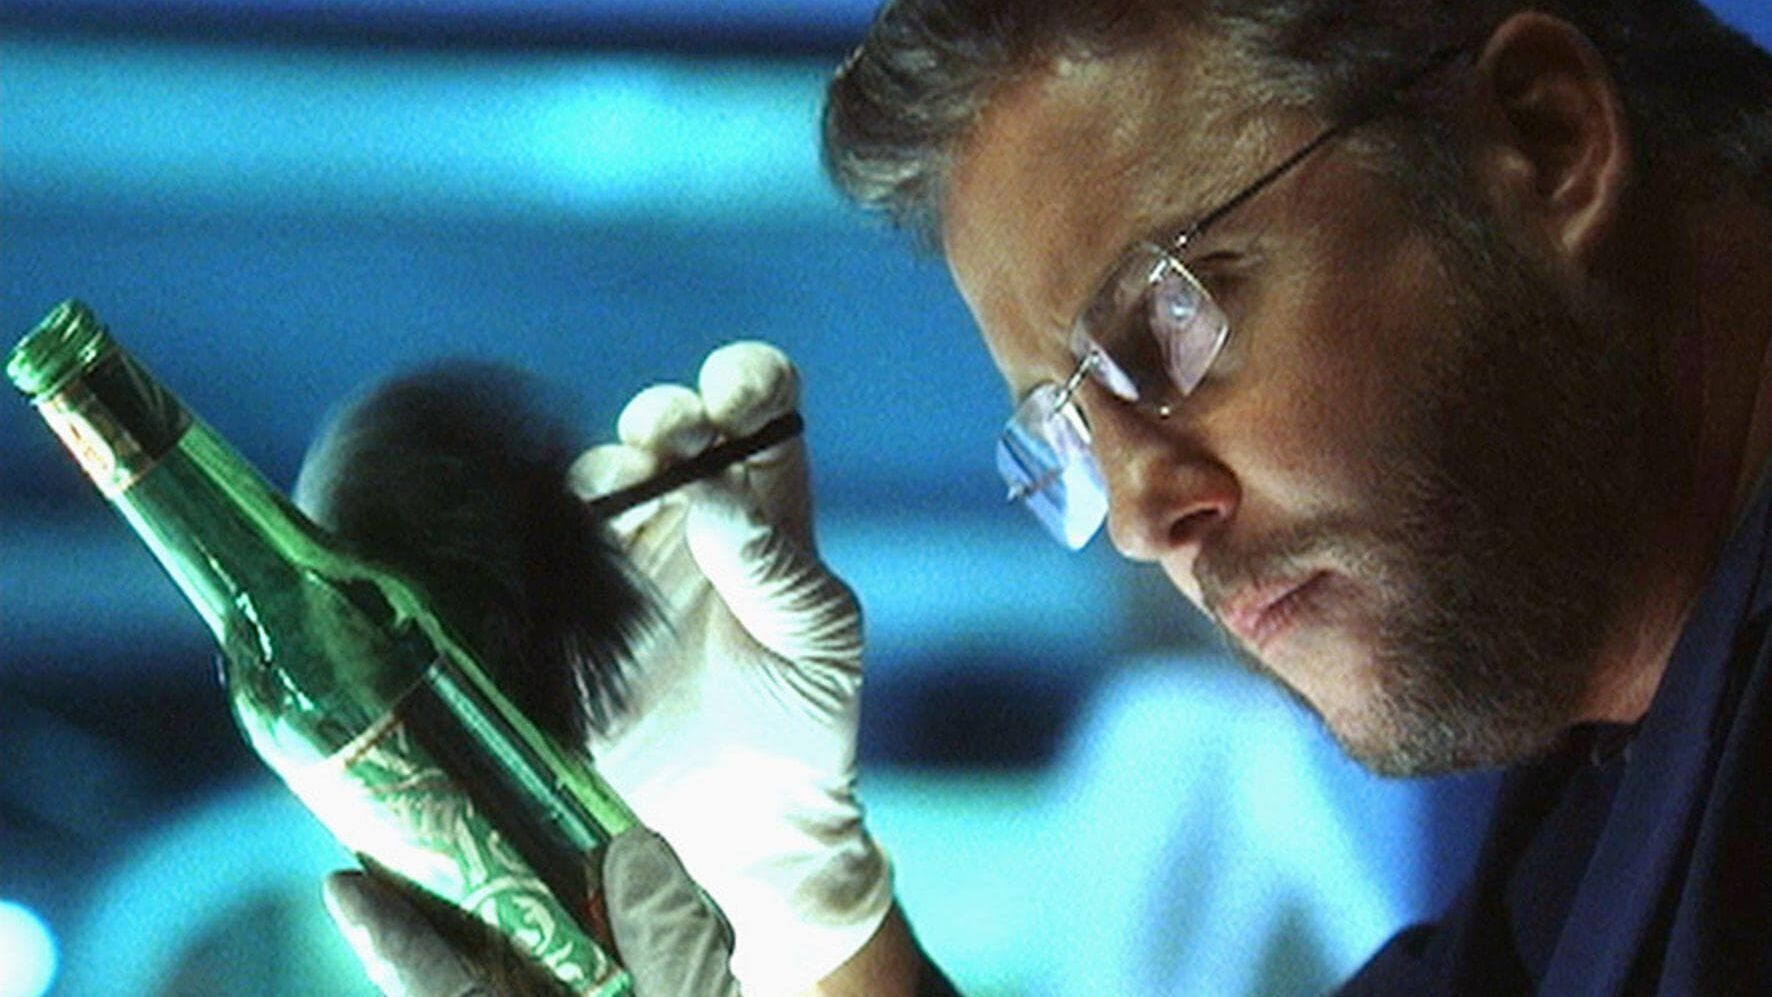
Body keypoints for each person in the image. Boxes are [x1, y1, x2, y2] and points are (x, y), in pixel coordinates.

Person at [329, 0, 1772, 992]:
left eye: (1171, 325)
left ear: (1546, 138)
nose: (1140, 519)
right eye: (1069, 439)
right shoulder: (1595, 810)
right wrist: (797, 901)